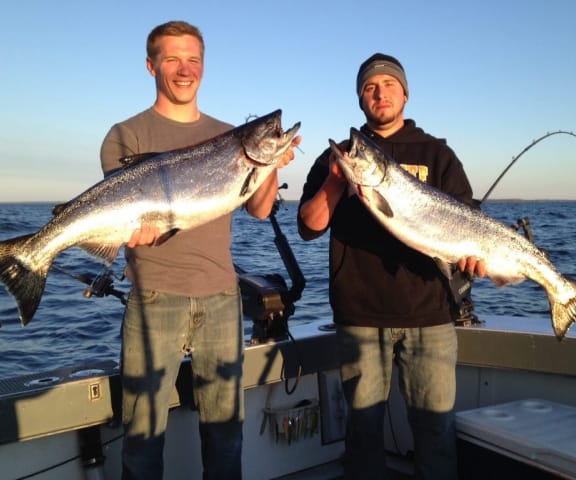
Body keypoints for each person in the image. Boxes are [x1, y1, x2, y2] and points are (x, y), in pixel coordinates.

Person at [100, 21, 300, 480]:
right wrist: (130, 230)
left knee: (227, 435)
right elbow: (119, 211)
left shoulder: (231, 134)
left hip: (221, 296)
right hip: (154, 298)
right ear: (151, 66)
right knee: (143, 436)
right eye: (172, 59)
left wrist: (269, 162)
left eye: (192, 59)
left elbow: (258, 208)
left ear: (203, 67)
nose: (183, 69)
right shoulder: (125, 134)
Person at [297, 53, 485, 480]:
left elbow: (469, 218)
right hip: (359, 316)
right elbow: (309, 227)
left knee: (436, 433)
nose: (379, 93)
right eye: (369, 87)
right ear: (360, 99)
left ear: (405, 93)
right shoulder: (341, 156)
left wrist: (474, 257)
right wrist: (336, 179)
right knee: (362, 435)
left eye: (388, 84)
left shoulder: (437, 153)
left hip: (430, 317)